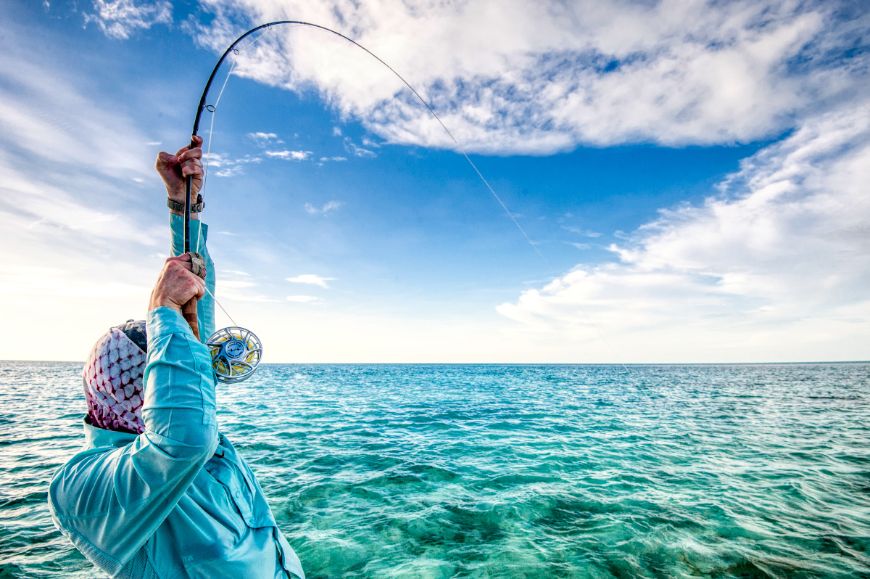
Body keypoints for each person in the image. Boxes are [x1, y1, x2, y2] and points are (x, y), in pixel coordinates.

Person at [47, 137, 304, 579]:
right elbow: (180, 435)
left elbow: (196, 302)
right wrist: (163, 311)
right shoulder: (82, 488)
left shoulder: (190, 426)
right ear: (150, 387)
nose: (192, 363)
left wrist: (184, 208)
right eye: (173, 359)